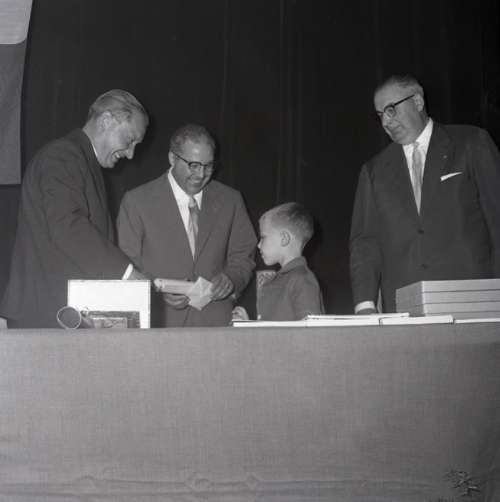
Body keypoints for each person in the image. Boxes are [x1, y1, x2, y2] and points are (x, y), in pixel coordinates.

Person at [350, 74, 500, 314]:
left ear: (418, 102)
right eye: (380, 115)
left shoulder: (471, 142)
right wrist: (364, 304)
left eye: (391, 110)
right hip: (404, 308)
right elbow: (365, 242)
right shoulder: (373, 171)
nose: (386, 122)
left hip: (474, 299)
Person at [0, 89, 149, 328]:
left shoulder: (80, 160)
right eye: (130, 140)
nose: (131, 154)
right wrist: (126, 274)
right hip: (47, 314)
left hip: (59, 311)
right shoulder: (63, 156)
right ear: (106, 120)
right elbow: (68, 227)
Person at [117, 123, 257, 327]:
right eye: (193, 165)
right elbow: (126, 263)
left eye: (208, 166)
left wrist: (231, 279)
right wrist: (156, 292)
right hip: (160, 323)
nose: (201, 174)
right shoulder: (136, 201)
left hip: (217, 324)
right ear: (172, 158)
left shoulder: (231, 200)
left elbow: (244, 255)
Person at [233, 202, 324, 321]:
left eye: (263, 237)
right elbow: (273, 327)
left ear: (284, 239)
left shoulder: (302, 280)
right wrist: (247, 324)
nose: (259, 245)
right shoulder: (280, 279)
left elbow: (310, 330)